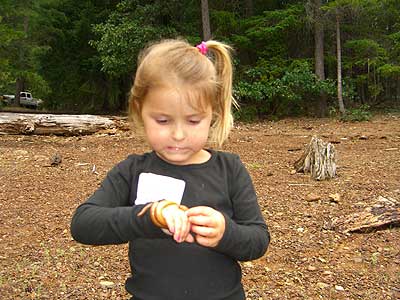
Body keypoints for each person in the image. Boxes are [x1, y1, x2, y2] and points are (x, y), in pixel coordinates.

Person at [70, 39, 270, 300]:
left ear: (214, 114)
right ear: (140, 111)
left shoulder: (229, 169)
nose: (178, 134)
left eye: (193, 120)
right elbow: (83, 224)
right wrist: (148, 216)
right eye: (163, 120)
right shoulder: (132, 171)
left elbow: (257, 239)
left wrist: (225, 232)